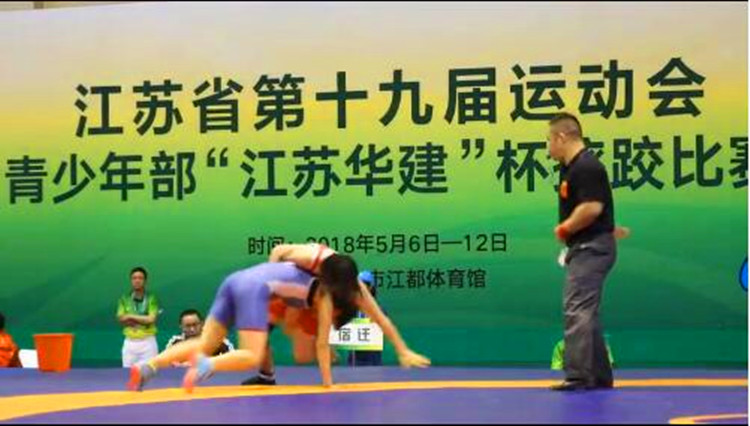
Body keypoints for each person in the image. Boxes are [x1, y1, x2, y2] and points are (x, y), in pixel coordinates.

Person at [128, 257, 429, 392]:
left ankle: (149, 367)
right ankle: (207, 366)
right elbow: (321, 342)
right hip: (255, 288)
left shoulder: (321, 272)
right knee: (252, 355)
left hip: (235, 280)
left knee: (206, 342)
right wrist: (328, 383)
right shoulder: (328, 293)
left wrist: (402, 349)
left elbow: (378, 320)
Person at [547, 112, 618, 391]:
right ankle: (599, 375)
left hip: (591, 248)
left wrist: (566, 227)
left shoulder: (587, 167)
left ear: (561, 137)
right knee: (586, 311)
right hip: (588, 245)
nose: (548, 148)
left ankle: (578, 376)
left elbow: (591, 208)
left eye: (549, 140)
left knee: (576, 308)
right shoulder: (571, 168)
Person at [117, 267, 160, 368]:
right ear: (131, 280)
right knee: (127, 373)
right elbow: (121, 318)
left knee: (149, 373)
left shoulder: (151, 298)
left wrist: (130, 316)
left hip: (148, 343)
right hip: (129, 342)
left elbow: (151, 319)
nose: (137, 280)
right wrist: (143, 320)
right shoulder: (124, 298)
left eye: (140, 278)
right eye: (134, 278)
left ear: (145, 281)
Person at [166, 309, 234, 367]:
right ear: (181, 326)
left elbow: (232, 360)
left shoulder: (216, 339)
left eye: (195, 325)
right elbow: (167, 363)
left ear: (202, 324)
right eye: (188, 326)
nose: (192, 329)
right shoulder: (176, 342)